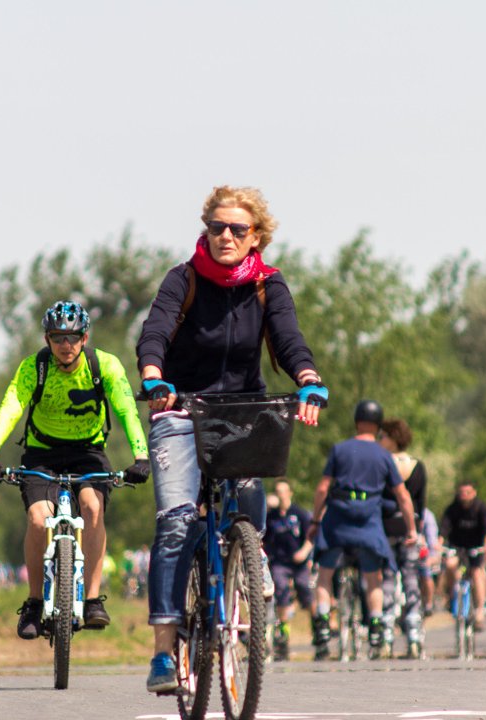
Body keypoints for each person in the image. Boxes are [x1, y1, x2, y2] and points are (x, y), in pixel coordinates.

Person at [135, 186, 327, 692]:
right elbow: (153, 332)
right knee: (177, 523)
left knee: (246, 505)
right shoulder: (183, 279)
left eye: (237, 229)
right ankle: (162, 653)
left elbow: (288, 339)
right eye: (217, 227)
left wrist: (307, 377)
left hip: (243, 409)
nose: (225, 236)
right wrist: (154, 375)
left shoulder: (267, 285)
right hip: (180, 408)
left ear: (255, 236)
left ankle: (251, 551)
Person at [0, 300, 150, 636]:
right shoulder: (34, 368)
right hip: (42, 454)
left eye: (73, 338)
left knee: (92, 507)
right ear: (47, 339)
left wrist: (140, 456)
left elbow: (128, 411)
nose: (65, 346)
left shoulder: (105, 366)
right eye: (58, 338)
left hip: (88, 453)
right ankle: (35, 602)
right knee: (39, 519)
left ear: (85, 339)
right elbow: (11, 407)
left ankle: (95, 599)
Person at [309, 400, 419, 658]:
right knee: (373, 576)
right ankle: (377, 623)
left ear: (356, 421)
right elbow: (402, 496)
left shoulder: (339, 449)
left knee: (325, 572)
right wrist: (412, 529)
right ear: (379, 426)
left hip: (338, 518)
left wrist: (315, 522)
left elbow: (323, 488)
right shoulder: (384, 455)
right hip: (368, 520)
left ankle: (324, 622)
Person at [377, 417, 427, 658]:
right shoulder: (418, 466)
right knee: (411, 581)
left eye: (383, 436)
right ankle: (414, 633)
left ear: (393, 438)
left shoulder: (381, 465)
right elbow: (421, 504)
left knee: (387, 580)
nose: (379, 440)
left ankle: (386, 634)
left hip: (386, 528)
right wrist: (417, 530)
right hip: (410, 528)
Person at [263, 479, 315, 661]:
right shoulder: (272, 517)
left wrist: (304, 553)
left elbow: (311, 536)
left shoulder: (299, 513)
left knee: (304, 590)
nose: (281, 495)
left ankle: (317, 625)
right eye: (278, 491)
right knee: (281, 589)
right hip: (280, 562)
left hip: (299, 562)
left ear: (290, 493)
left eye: (283, 491)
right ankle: (283, 631)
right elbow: (266, 540)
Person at [439, 481, 486, 630]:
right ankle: (451, 597)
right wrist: (439, 542)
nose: (464, 496)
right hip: (457, 548)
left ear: (474, 492)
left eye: (467, 492)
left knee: (477, 573)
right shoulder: (453, 508)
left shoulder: (481, 508)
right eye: (461, 493)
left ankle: (480, 610)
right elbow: (444, 528)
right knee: (450, 565)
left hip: (476, 548)